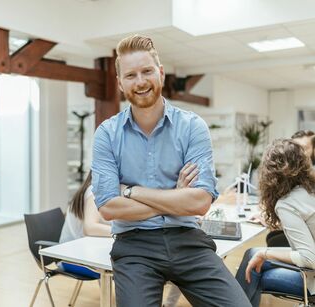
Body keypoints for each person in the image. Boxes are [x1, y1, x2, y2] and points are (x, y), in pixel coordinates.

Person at [91, 34, 251, 307]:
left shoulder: (192, 127)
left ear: (161, 73)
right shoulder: (107, 134)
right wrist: (176, 198)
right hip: (134, 246)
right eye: (130, 75)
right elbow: (108, 208)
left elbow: (200, 202)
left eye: (147, 71)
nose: (140, 81)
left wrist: (131, 191)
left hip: (187, 240)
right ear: (120, 83)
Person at [60, 168, 197, 306]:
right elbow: (90, 228)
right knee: (140, 263)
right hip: (72, 258)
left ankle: (166, 304)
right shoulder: (94, 190)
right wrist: (122, 231)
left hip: (86, 251)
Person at [235, 139, 315, 306]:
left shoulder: (287, 203)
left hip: (312, 279)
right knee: (252, 253)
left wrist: (265, 254)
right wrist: (262, 253)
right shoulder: (309, 190)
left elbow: (310, 258)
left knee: (255, 272)